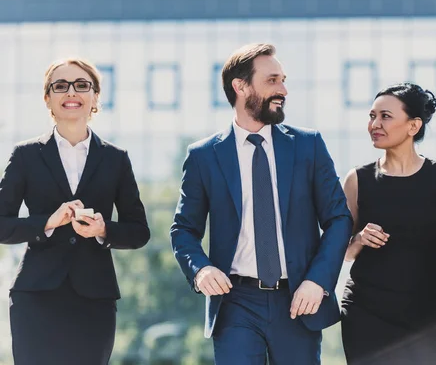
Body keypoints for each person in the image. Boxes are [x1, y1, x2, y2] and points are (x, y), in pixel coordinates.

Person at [170, 43, 352, 364]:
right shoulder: (204, 156)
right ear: (240, 87)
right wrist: (201, 269)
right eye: (272, 80)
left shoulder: (308, 146)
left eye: (283, 80)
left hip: (299, 300)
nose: (282, 89)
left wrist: (318, 282)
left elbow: (338, 218)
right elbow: (184, 230)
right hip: (235, 301)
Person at [0, 58, 150, 364]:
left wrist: (103, 230)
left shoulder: (115, 159)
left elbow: (139, 231)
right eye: (61, 86)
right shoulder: (26, 155)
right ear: (48, 99)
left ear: (95, 97)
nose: (72, 92)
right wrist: (47, 223)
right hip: (35, 297)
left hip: (94, 299)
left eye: (82, 85)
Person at [340, 83, 436, 364]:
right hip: (365, 310)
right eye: (372, 116)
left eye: (385, 116)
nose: (374, 124)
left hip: (424, 313)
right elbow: (340, 252)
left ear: (413, 126)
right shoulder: (357, 180)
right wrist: (358, 240)